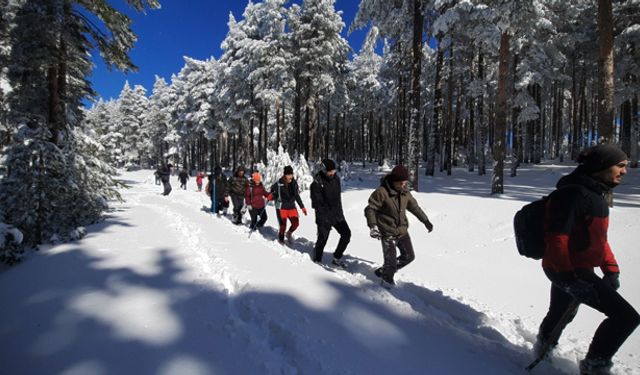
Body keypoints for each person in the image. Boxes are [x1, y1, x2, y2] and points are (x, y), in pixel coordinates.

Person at [534, 144, 639, 375]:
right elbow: (556, 238)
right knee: (626, 318)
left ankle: (543, 348)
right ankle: (594, 367)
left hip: (572, 268)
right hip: (567, 269)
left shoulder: (594, 194)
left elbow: (598, 239)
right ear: (602, 166)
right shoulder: (573, 195)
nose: (624, 171)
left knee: (562, 312)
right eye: (620, 166)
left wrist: (610, 268)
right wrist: (570, 279)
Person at [364, 165, 434, 287]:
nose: (403, 186)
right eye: (400, 183)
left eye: (405, 183)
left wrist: (425, 221)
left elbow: (414, 207)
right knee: (390, 263)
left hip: (402, 230)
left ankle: (383, 271)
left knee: (409, 256)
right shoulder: (382, 192)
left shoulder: (405, 192)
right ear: (393, 180)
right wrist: (373, 226)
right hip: (387, 231)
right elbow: (370, 209)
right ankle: (386, 284)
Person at [310, 159, 351, 267]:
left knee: (346, 234)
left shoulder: (336, 179)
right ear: (324, 170)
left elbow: (338, 198)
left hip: (337, 214)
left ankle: (337, 257)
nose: (332, 173)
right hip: (324, 216)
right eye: (330, 171)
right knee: (323, 238)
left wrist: (340, 213)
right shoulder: (317, 183)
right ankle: (317, 259)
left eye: (333, 171)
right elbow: (317, 204)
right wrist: (324, 218)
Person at [270, 165, 307, 244]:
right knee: (283, 226)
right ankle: (281, 241)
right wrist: (271, 195)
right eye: (288, 175)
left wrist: (302, 207)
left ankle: (289, 233)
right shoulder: (279, 183)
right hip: (282, 207)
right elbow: (273, 192)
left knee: (296, 223)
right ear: (284, 175)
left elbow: (296, 195)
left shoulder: (294, 183)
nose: (290, 176)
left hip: (291, 207)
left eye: (291, 174)